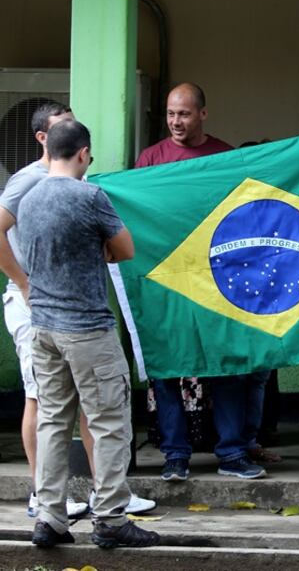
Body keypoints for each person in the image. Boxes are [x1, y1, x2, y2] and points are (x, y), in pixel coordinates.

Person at [0, 101, 155, 518]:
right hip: (86, 327)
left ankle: (49, 516)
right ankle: (110, 517)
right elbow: (124, 249)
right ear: (84, 153)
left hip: (44, 326)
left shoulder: (27, 198)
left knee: (52, 421)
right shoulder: (90, 196)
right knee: (107, 422)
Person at [136, 83, 268, 481]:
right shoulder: (150, 158)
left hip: (216, 280)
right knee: (166, 369)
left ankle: (232, 454)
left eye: (185, 114)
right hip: (164, 281)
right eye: (171, 114)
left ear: (203, 114)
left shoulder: (225, 157)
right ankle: (176, 456)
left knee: (225, 366)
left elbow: (243, 215)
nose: (176, 122)